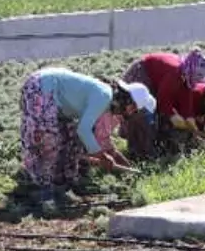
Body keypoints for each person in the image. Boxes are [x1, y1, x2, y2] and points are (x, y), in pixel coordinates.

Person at [18, 66, 155, 201]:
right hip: (42, 86)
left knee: (71, 140)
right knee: (47, 136)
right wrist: (102, 156)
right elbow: (83, 129)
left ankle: (64, 184)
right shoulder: (104, 96)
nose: (131, 113)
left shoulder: (107, 102)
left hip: (55, 97)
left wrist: (102, 155)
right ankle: (40, 187)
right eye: (133, 109)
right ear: (128, 100)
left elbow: (82, 133)